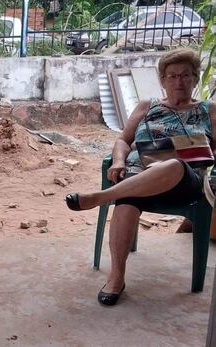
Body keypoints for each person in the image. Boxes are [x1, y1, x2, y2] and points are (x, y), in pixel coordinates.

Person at [65, 48, 216, 306]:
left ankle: (101, 198)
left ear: (195, 79)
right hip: (139, 176)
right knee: (126, 203)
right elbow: (123, 140)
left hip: (184, 181)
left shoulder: (208, 110)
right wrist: (120, 160)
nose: (179, 82)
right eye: (172, 76)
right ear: (162, 80)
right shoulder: (148, 106)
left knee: (173, 166)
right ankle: (116, 278)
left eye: (186, 75)